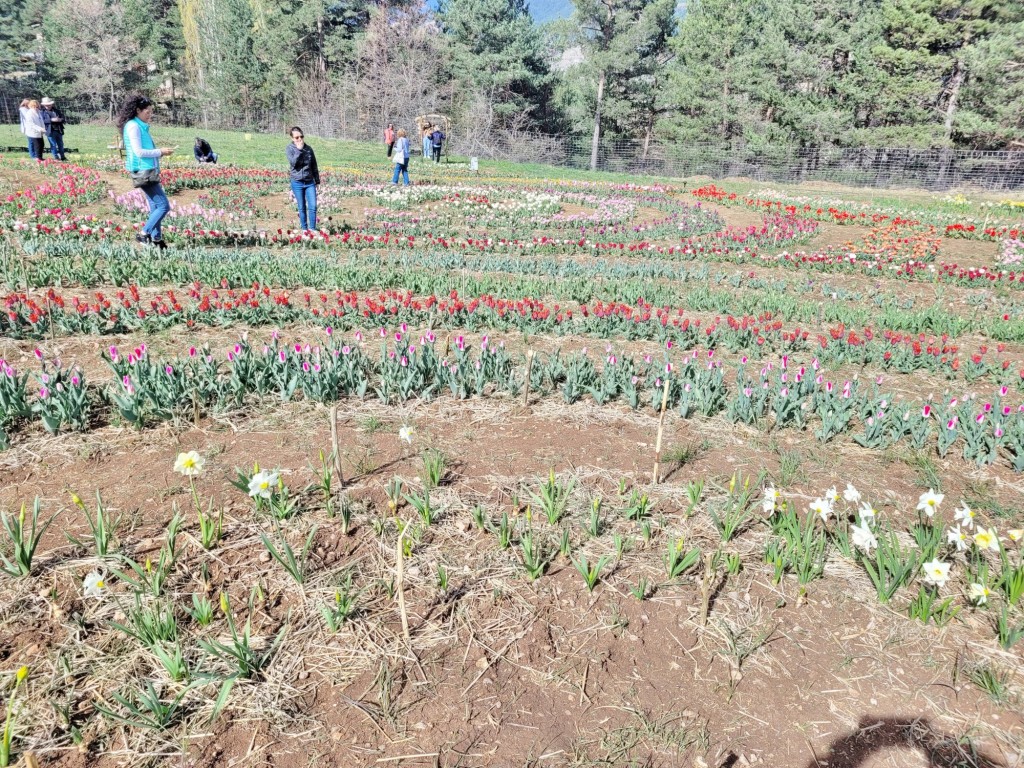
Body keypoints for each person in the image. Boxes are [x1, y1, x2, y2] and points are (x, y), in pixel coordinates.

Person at [116, 94, 174, 249]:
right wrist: (160, 151)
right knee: (163, 206)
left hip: (148, 170)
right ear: (137, 111)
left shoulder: (138, 125)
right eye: (147, 112)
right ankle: (143, 234)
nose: (150, 115)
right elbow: (139, 152)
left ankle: (157, 240)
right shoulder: (134, 126)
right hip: (143, 172)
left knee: (155, 206)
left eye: (151, 111)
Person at [286, 126, 320, 231]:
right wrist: (299, 150)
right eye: (296, 137)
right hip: (297, 182)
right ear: (292, 138)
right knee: (302, 207)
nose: (300, 139)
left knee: (313, 206)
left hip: (309, 182)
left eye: (301, 136)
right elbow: (293, 163)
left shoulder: (309, 149)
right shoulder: (289, 149)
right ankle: (304, 229)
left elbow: (314, 165)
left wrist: (317, 180)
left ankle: (313, 229)